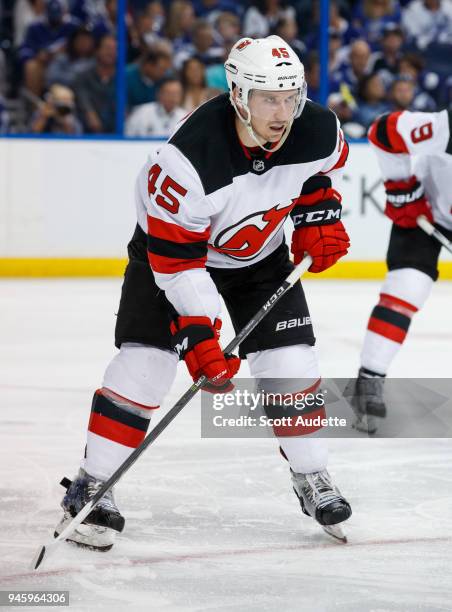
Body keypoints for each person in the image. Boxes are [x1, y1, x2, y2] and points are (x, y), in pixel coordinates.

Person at [55, 35, 352, 550]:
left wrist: (316, 213)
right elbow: (178, 266)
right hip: (170, 261)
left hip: (259, 261)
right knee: (144, 366)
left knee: (293, 364)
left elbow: (317, 175)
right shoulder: (187, 160)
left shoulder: (319, 128)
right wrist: (200, 333)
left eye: (290, 96)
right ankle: (91, 484)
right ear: (238, 95)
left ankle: (312, 475)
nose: (282, 112)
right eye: (267, 99)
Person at [350, 109, 452, 433]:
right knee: (406, 288)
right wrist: (401, 187)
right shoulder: (445, 127)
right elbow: (384, 132)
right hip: (427, 212)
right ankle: (369, 378)